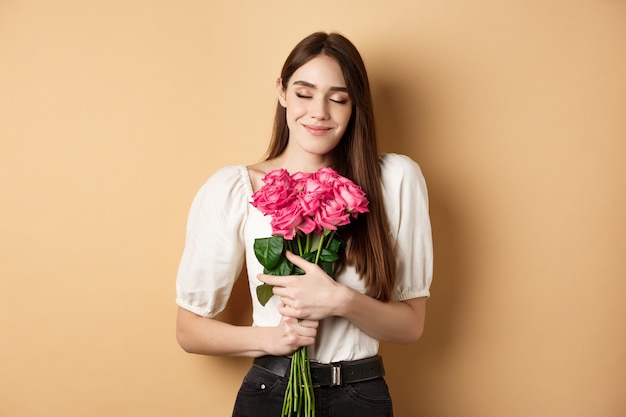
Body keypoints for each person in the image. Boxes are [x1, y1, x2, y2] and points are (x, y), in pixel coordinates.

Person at [175, 31, 433, 417]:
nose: (319, 112)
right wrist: (273, 338)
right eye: (303, 93)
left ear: (355, 105)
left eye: (338, 98)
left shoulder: (394, 181)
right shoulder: (233, 188)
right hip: (271, 391)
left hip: (361, 395)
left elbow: (410, 327)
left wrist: (339, 300)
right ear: (282, 92)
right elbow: (189, 330)